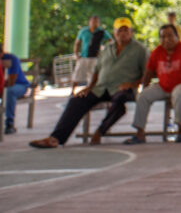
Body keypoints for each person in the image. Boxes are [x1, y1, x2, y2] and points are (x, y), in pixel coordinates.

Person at [30, 17, 148, 148]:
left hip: (123, 89)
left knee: (119, 102)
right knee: (77, 99)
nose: (123, 33)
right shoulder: (107, 49)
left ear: (131, 32)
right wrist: (89, 87)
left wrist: (133, 85)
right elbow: (97, 70)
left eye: (126, 30)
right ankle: (56, 138)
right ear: (114, 32)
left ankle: (99, 132)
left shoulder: (140, 50)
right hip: (101, 88)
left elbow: (147, 73)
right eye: (120, 30)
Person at [124, 24, 181, 144]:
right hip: (163, 86)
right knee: (143, 96)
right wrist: (144, 88)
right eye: (163, 37)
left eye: (170, 36)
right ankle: (140, 133)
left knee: (178, 95)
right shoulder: (157, 51)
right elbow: (148, 72)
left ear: (177, 36)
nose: (166, 39)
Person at [71, 15, 110, 95]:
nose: (94, 23)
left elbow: (111, 42)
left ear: (98, 23)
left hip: (96, 58)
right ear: (89, 22)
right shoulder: (83, 31)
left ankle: (91, 92)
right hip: (84, 57)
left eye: (96, 22)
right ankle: (72, 91)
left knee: (94, 76)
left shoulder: (102, 32)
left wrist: (104, 51)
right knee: (77, 74)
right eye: (93, 21)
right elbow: (77, 43)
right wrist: (76, 54)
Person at [2, 47, 30, 134]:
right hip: (4, 86)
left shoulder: (12, 58)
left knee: (10, 91)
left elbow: (12, 81)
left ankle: (9, 123)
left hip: (20, 85)